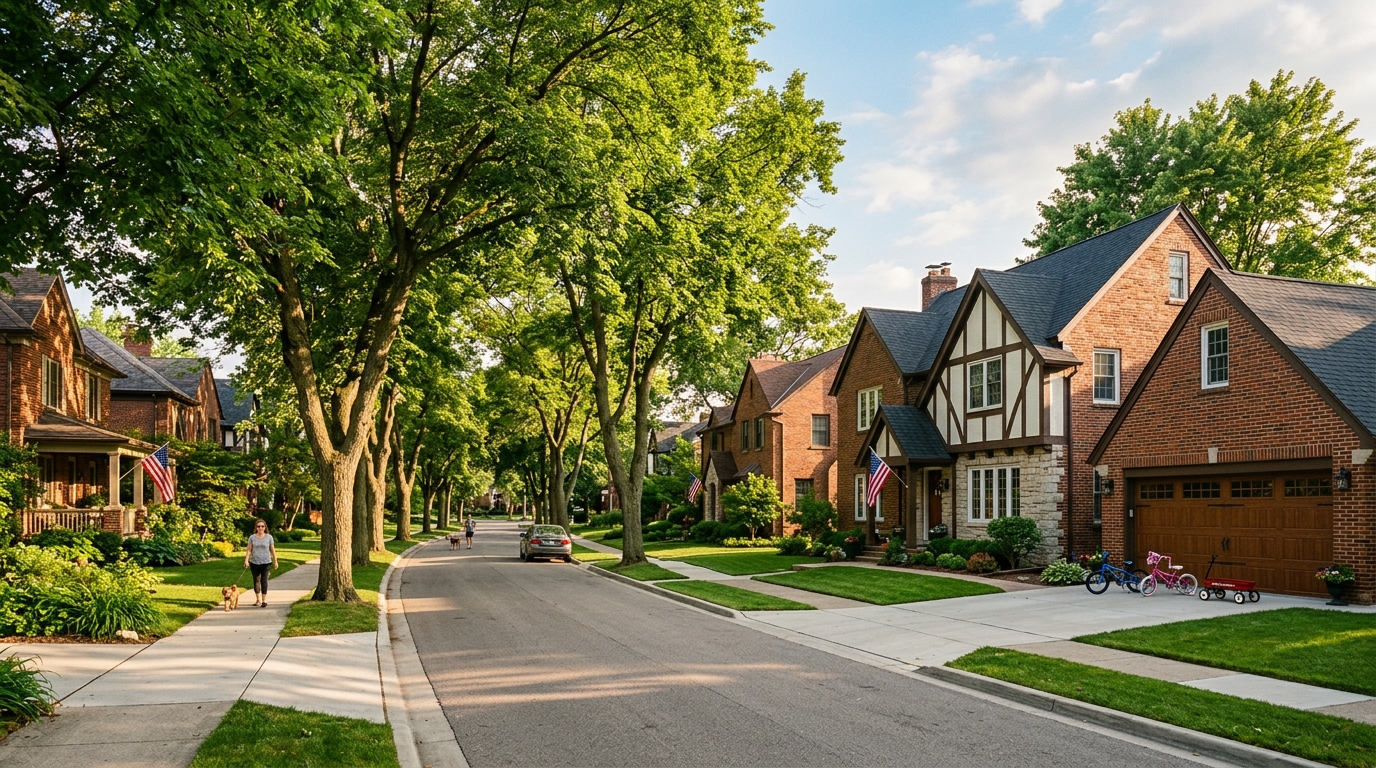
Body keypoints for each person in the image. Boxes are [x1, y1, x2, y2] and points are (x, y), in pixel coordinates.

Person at [243, 519, 279, 607]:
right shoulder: (252, 537)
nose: (260, 528)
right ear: (256, 528)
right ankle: (258, 599)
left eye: (262, 526)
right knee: (256, 581)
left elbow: (272, 550)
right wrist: (246, 560)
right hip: (254, 562)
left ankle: (264, 600)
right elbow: (249, 550)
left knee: (264, 580)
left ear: (265, 527)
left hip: (266, 562)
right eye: (258, 526)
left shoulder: (269, 537)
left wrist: (275, 561)